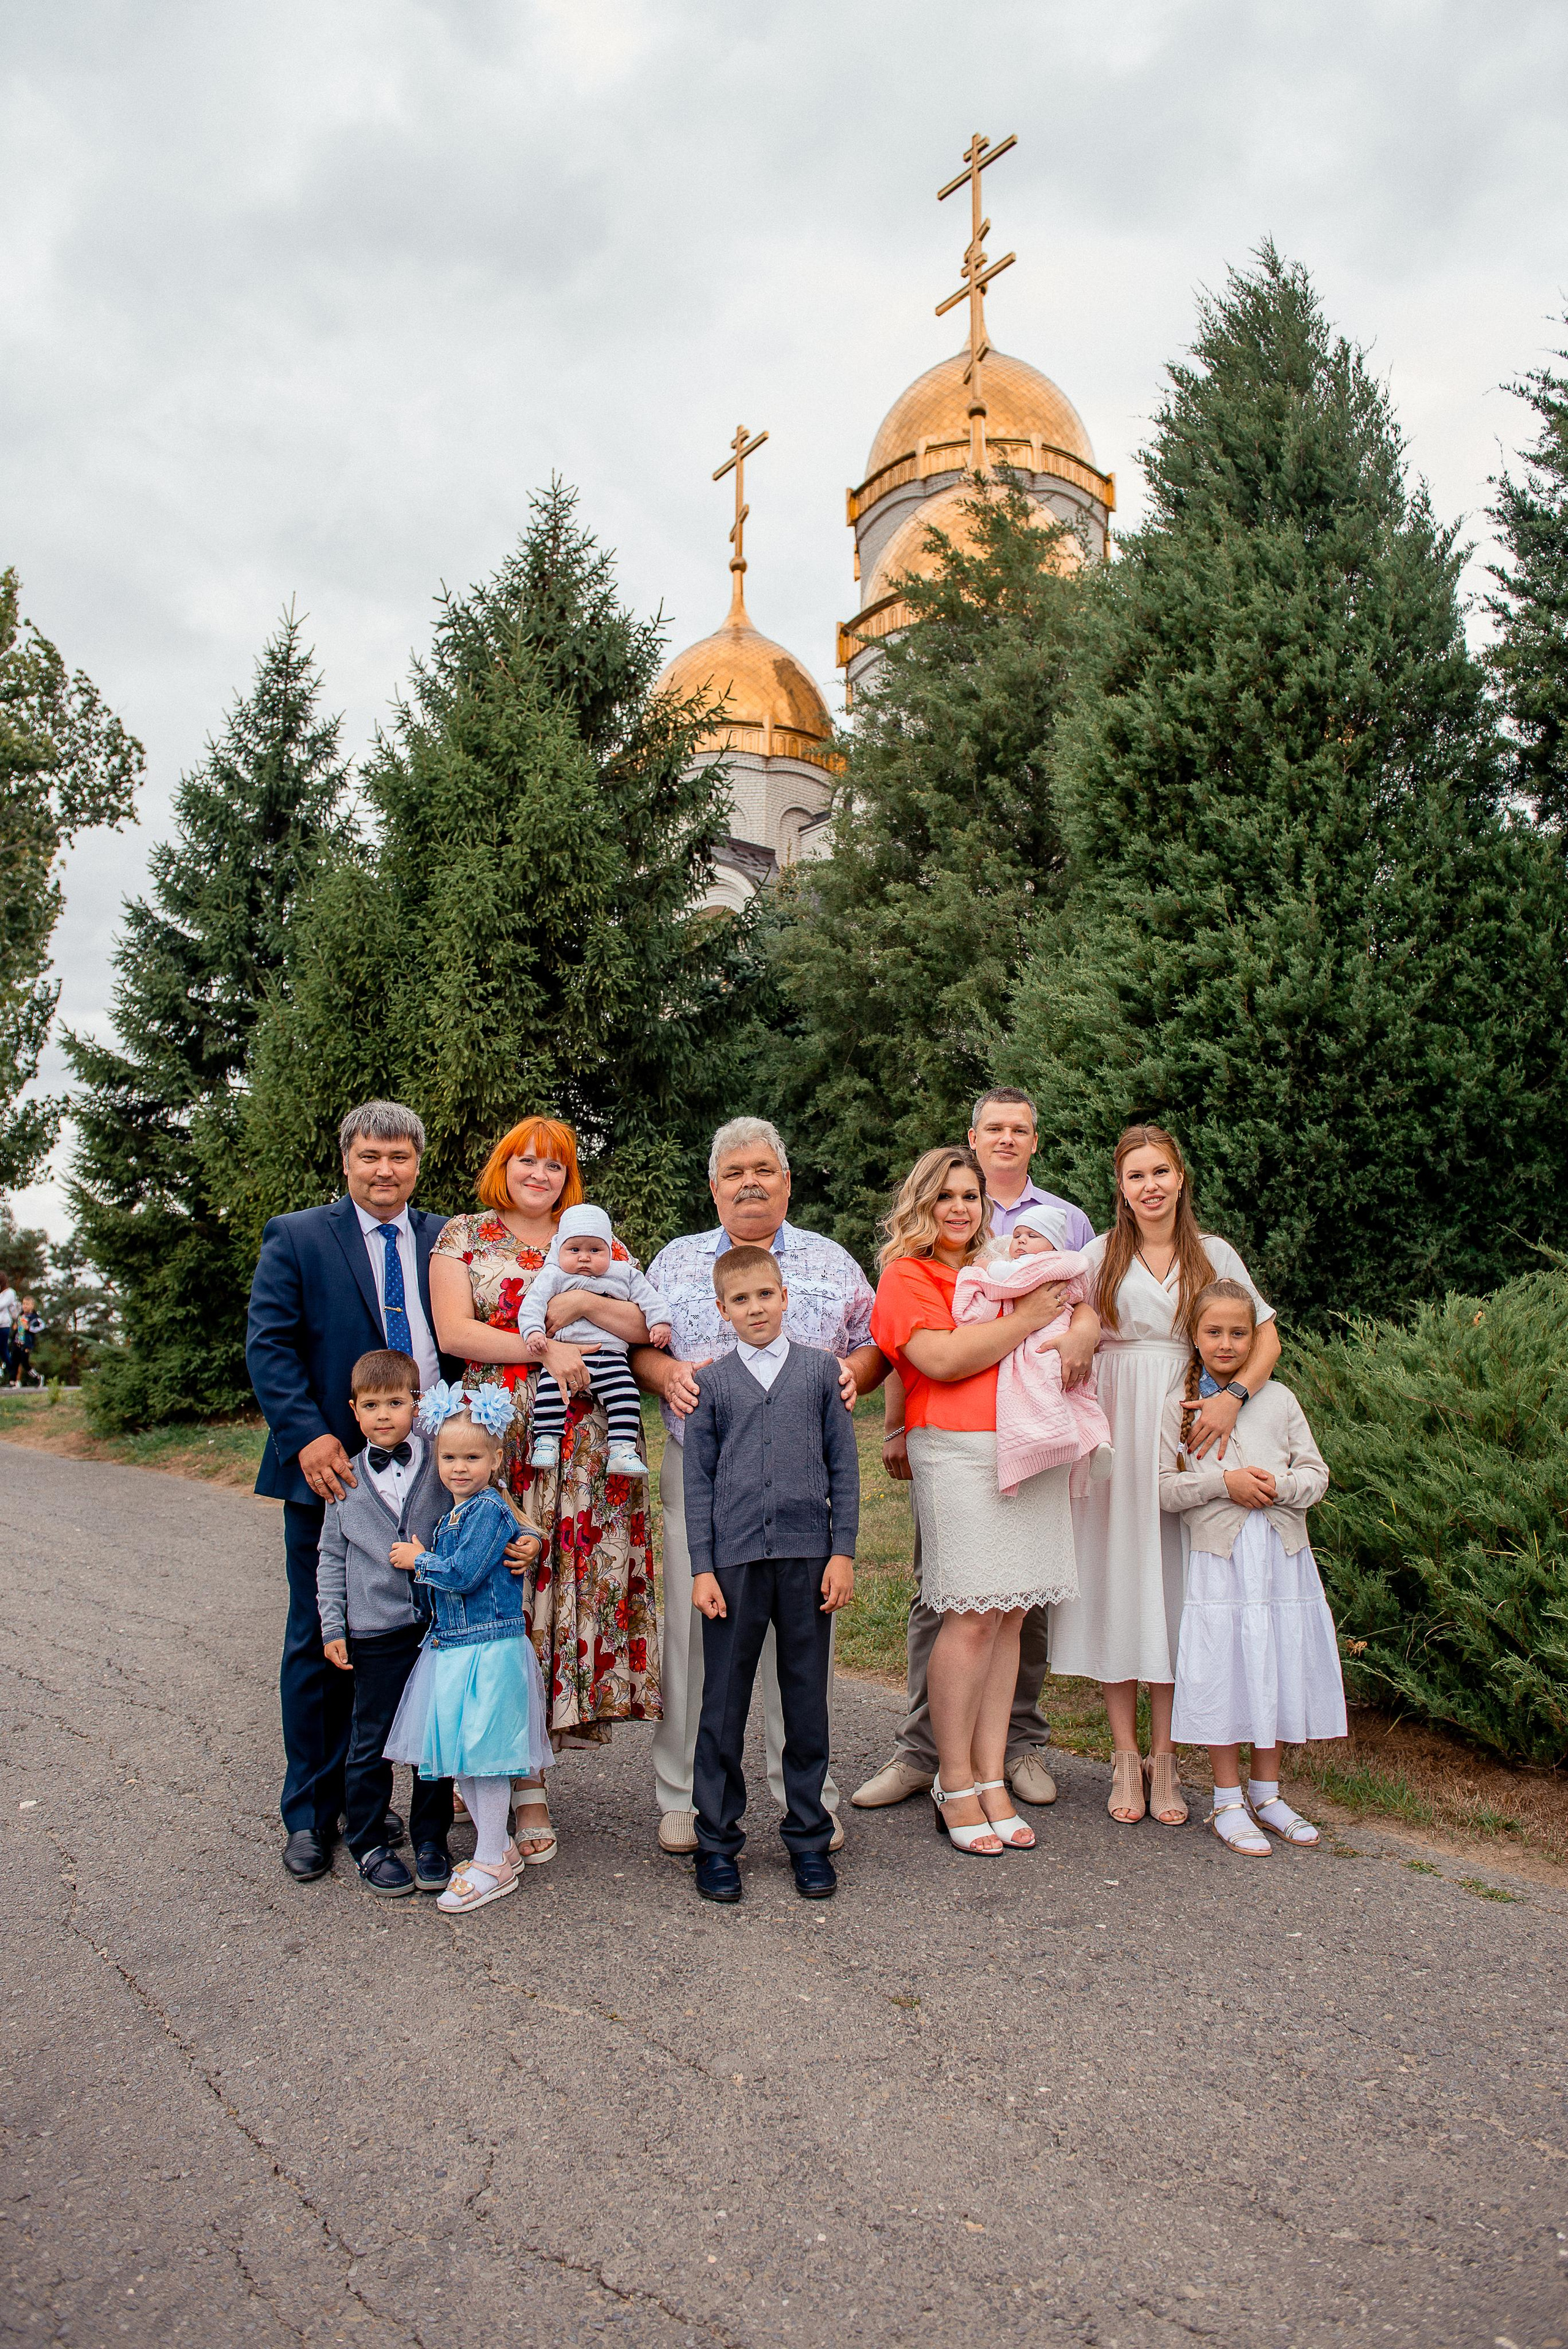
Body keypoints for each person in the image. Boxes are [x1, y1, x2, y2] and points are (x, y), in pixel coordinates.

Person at [635, 1116, 884, 1856]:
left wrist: (853, 1374)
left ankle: (805, 1795)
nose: (750, 1182)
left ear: (785, 1181)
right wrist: (666, 1374)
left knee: (802, 1641)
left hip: (803, 1476)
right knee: (697, 1630)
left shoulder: (829, 1260)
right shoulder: (676, 1263)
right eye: (734, 1172)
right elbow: (635, 1347)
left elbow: (873, 1342)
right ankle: (684, 1795)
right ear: (713, 1188)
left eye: (764, 1170)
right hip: (707, 1474)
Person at [855, 1089, 1098, 1812]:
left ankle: (992, 1775)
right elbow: (944, 1360)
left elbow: (1080, 1299)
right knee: (964, 1616)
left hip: (1028, 1448)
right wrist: (1030, 1316)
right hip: (958, 1453)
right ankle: (949, 1779)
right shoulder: (908, 1275)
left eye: (969, 1197)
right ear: (920, 1204)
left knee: (1010, 1617)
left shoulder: (995, 1265)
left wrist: (1076, 1322)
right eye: (945, 1196)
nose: (959, 1208)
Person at [429, 1116, 663, 1867]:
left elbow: (641, 1322)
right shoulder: (464, 1235)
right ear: (504, 1165)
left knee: (562, 1593)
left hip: (593, 1444)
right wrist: (549, 1347)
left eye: (554, 1164)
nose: (540, 1173)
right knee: (504, 1594)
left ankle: (529, 1770)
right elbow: (455, 1333)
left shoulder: (594, 1238)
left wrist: (586, 1310)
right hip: (502, 1435)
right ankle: (500, 1768)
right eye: (525, 1160)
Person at [246, 1100, 460, 1885]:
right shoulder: (299, 1236)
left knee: (420, 1640)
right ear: (347, 1161)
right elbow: (268, 1343)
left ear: (417, 1163)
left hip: (434, 1480)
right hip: (334, 1474)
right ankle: (312, 1810)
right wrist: (307, 1434)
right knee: (322, 1638)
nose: (385, 1171)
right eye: (371, 1156)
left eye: (400, 1157)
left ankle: (381, 1797)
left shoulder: (447, 1237)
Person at [1050, 1124, 1281, 1829]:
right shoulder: (1096, 1256)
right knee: (1121, 1582)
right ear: (1118, 1189)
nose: (1149, 1186)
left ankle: (1166, 1755)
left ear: (1181, 1178)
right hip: (1113, 1424)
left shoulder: (1212, 1255)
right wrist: (1082, 1329)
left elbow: (1263, 1334)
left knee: (1179, 1586)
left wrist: (1231, 1395)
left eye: (1160, 1172)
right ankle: (1124, 1755)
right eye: (1134, 1176)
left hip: (1189, 1422)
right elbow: (1054, 1328)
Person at [683, 1244, 860, 1905]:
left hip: (808, 1558)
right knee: (722, 1703)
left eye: (765, 1295)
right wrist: (703, 1568)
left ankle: (809, 1836)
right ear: (722, 1310)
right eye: (740, 1300)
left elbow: (844, 1468)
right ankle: (717, 1842)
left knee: (805, 1700)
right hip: (732, 1565)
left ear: (784, 1298)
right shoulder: (711, 1385)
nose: (754, 1309)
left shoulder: (820, 1375)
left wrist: (841, 1551)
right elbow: (695, 1484)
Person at [1160, 1278, 1343, 1856]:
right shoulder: (1178, 1405)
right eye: (1214, 1332)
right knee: (1228, 1668)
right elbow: (1167, 1490)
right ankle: (1226, 1799)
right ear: (1195, 1336)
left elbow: (1316, 1475)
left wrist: (1280, 1486)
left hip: (1283, 1561)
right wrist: (1225, 1484)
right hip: (1222, 1563)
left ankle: (1268, 1793)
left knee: (1276, 1664)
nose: (1227, 1342)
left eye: (1240, 1332)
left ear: (1254, 1337)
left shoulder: (1279, 1400)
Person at [384, 1383, 551, 1914]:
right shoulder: (454, 1514)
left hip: (488, 1650)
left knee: (485, 1758)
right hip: (454, 1648)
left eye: (473, 1457)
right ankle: (497, 1847)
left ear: (496, 1459)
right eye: (450, 1457)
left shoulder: (486, 1513)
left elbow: (461, 1574)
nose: (459, 1467)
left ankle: (491, 1863)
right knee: (464, 1757)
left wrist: (419, 1560)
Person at [317, 1347, 459, 1899]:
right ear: (354, 1411)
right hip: (374, 1633)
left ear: (416, 1404)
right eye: (372, 1405)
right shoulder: (345, 1479)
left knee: (433, 1735)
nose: (384, 1415)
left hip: (436, 1627)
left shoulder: (439, 1462)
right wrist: (333, 1627)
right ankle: (370, 1840)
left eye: (395, 1403)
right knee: (371, 1739)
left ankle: (430, 1838)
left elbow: (477, 1508)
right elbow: (331, 1558)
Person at [953, 1205, 1114, 1494]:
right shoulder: (1047, 1264)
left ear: (1052, 1245)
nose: (1022, 1241)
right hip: (1047, 1331)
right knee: (1077, 1397)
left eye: (1032, 1235)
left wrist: (983, 1269)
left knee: (1042, 1383)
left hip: (1051, 1338)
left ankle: (1045, 1439)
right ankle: (1097, 1440)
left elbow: (1013, 1279)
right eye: (1017, 1235)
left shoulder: (1049, 1264)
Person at [518, 1204, 671, 1478]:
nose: (584, 1258)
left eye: (595, 1250)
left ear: (609, 1251)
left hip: (612, 1357)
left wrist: (659, 1322)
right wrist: (533, 1332)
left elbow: (650, 1299)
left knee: (626, 1395)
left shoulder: (624, 1273)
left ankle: (622, 1450)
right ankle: (546, 1441)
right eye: (574, 1250)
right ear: (560, 1249)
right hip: (567, 1356)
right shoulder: (554, 1275)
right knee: (551, 1394)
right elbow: (532, 1305)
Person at [10, 1298, 42, 1388]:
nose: (25, 1306)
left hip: (26, 1344)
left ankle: (37, 1377)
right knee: (14, 1362)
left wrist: (29, 1328)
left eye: (27, 1304)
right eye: (24, 1304)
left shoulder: (35, 1318)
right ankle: (13, 1382)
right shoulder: (21, 1315)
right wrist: (16, 1327)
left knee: (25, 1363)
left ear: (32, 1306)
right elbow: (15, 1327)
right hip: (17, 1342)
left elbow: (41, 1326)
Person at [0, 1274, 18, 1386]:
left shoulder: (10, 1293)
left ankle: (13, 1377)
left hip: (3, 1326)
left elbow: (2, 1305)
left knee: (3, 1352)